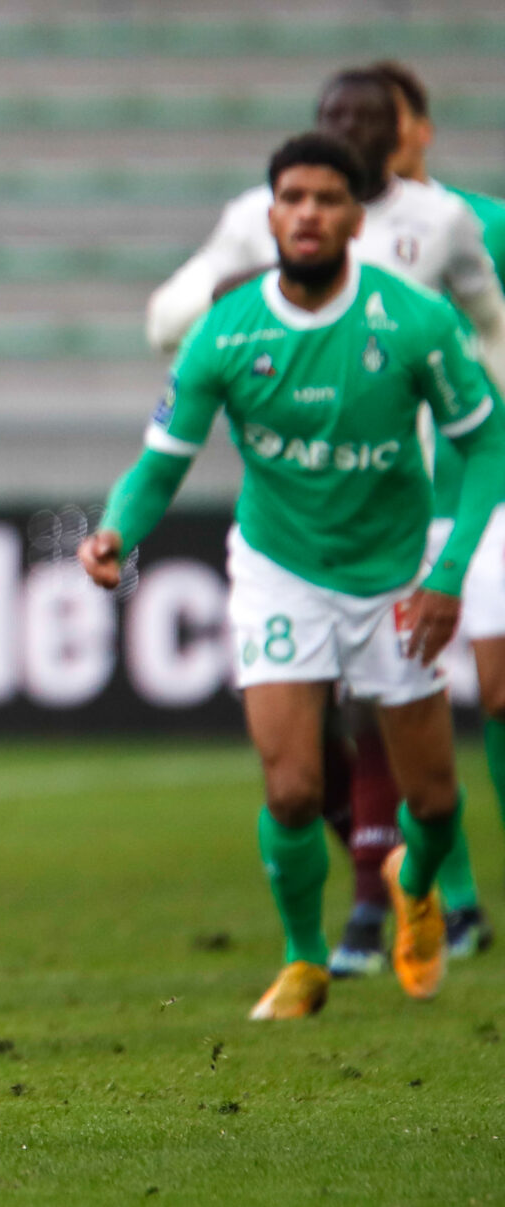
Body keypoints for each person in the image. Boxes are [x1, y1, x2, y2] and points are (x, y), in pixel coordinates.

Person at [83, 132, 505, 1019]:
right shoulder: (225, 335)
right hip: (281, 570)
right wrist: (117, 530)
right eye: (292, 198)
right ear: (270, 212)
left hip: (398, 574)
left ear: (357, 217)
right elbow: (161, 463)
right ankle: (304, 958)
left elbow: (487, 441)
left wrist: (451, 572)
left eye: (325, 198)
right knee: (293, 785)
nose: (307, 213)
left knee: (432, 801)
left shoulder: (416, 323)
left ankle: (414, 883)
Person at [362, 59, 505, 961]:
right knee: (410, 695)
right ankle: (452, 900)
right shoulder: (332, 235)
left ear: (420, 129)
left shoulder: (480, 224)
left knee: (501, 691)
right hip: (395, 495)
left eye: (390, 115)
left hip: (485, 482)